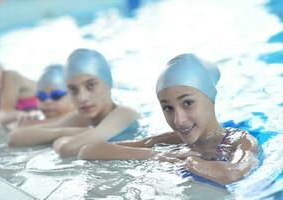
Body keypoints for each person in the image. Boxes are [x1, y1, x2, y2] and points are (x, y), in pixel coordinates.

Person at [78, 53, 258, 185]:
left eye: (187, 103)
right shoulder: (169, 142)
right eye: (168, 108)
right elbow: (88, 150)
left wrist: (189, 162)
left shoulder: (239, 141)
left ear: (210, 99)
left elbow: (233, 172)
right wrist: (157, 155)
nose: (178, 120)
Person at [8, 48, 139, 158]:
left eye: (91, 85)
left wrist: (61, 139)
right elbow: (14, 138)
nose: (82, 98)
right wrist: (61, 132)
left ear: (109, 83)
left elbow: (67, 148)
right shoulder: (80, 119)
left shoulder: (125, 114)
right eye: (73, 89)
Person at [0, 47, 38, 124]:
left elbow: (4, 113)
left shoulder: (11, 76)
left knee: (10, 124)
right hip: (23, 114)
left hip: (50, 103)